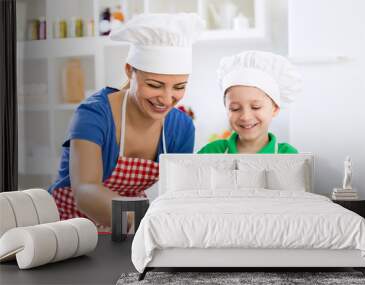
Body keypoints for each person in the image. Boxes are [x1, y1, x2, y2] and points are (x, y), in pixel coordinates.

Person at [49, 13, 204, 230]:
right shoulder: (93, 114)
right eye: (155, 85)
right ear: (130, 70)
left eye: (179, 87)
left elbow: (178, 195)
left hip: (127, 229)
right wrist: (143, 223)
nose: (167, 98)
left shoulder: (182, 128)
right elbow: (85, 190)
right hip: (70, 226)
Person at [198, 50, 301, 154]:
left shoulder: (288, 155)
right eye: (235, 108)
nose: (245, 117)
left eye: (256, 107)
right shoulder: (211, 152)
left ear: (275, 108)